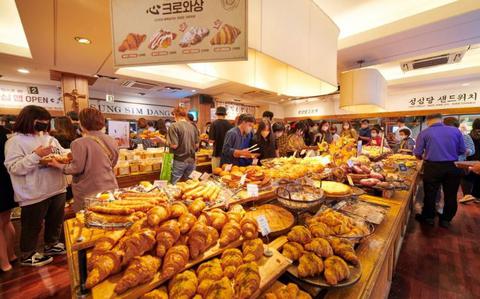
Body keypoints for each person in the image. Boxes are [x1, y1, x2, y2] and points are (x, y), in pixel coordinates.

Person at [4, 105, 67, 266]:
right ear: (28, 120)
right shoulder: (15, 141)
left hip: (56, 187)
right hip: (33, 192)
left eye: (46, 122)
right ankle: (27, 254)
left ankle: (51, 245)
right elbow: (14, 168)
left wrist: (64, 157)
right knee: (32, 225)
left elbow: (61, 154)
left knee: (55, 221)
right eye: (40, 122)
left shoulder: (50, 139)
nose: (44, 125)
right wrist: (36, 156)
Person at [49, 108, 119, 212]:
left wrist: (57, 165)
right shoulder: (111, 139)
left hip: (89, 190)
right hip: (110, 185)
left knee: (89, 220)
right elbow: (113, 161)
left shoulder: (79, 143)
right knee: (109, 217)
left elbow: (76, 168)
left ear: (82, 124)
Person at [414, 113, 465, 228]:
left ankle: (428, 218)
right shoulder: (456, 131)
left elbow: (417, 153)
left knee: (430, 193)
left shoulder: (424, 133)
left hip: (433, 167)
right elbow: (462, 150)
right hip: (453, 166)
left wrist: (423, 158)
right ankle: (446, 219)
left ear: (428, 121)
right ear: (441, 120)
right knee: (451, 195)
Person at [0, 118, 17, 271]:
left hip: (3, 182)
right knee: (6, 221)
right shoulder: (6, 134)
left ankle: (4, 264)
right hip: (7, 182)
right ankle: (11, 255)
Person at [167, 107, 200, 183]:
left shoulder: (174, 126)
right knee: (191, 184)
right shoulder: (193, 126)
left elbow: (174, 145)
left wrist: (161, 140)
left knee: (175, 184)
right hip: (192, 160)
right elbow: (197, 145)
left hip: (179, 160)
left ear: (175, 114)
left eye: (173, 115)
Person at [461, 119, 480, 203]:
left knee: (467, 176)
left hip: (470, 160)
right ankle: (475, 196)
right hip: (475, 160)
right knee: (476, 177)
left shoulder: (469, 135)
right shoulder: (468, 136)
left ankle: (468, 195)